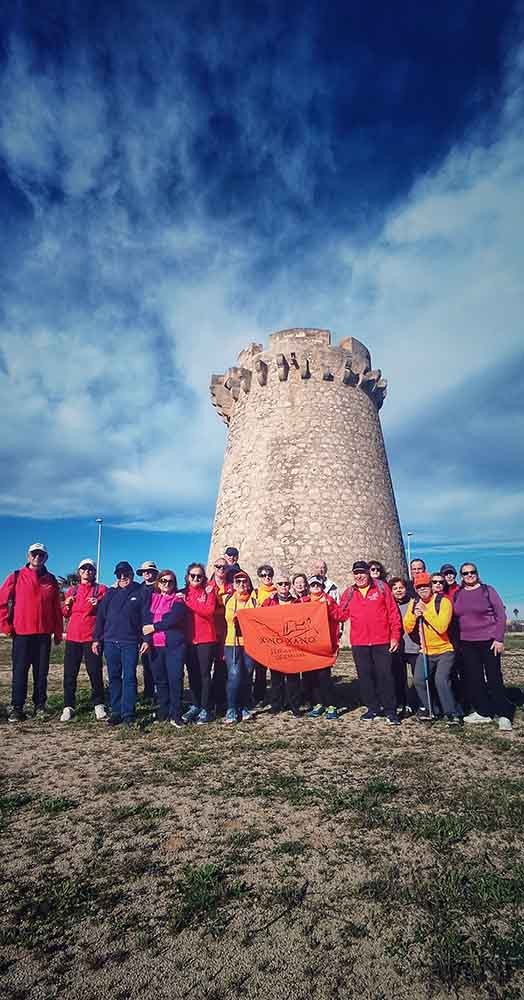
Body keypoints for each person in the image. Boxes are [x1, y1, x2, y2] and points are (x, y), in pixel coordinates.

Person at [0, 542, 63, 723]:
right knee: (20, 671)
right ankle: (17, 708)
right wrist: (5, 626)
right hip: (22, 634)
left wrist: (58, 632)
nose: (37, 558)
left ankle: (40, 705)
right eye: (34, 554)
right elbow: (2, 601)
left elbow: (56, 609)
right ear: (28, 556)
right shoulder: (17, 576)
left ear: (46, 558)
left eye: (41, 555)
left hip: (43, 635)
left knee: (41, 672)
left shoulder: (50, 580)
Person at [338, 560, 401, 725]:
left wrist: (395, 635)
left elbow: (393, 612)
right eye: (356, 573)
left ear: (368, 573)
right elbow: (341, 615)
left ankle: (390, 710)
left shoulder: (381, 588)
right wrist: (327, 605)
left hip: (382, 641)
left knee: (385, 676)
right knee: (365, 677)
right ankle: (373, 708)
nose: (359, 576)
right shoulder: (350, 593)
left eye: (362, 572)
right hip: (360, 642)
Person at [453, 563, 512, 730]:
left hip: (489, 641)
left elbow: (500, 614)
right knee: (475, 678)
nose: (469, 575)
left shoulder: (488, 590)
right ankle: (483, 711)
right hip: (467, 643)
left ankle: (503, 714)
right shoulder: (458, 594)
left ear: (477, 573)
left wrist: (499, 638)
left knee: (494, 677)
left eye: (472, 572)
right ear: (461, 576)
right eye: (465, 573)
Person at [403, 572, 463, 726]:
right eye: (419, 587)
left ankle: (452, 713)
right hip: (426, 651)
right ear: (416, 589)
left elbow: (442, 626)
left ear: (431, 586)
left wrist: (425, 612)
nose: (423, 589)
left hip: (445, 650)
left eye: (425, 586)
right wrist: (415, 616)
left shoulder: (443, 602)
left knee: (441, 680)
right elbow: (408, 627)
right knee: (418, 681)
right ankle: (432, 710)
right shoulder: (414, 602)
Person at [93, 561, 145, 727]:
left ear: (131, 574)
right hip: (110, 641)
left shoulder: (141, 592)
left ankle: (128, 713)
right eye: (119, 575)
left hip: (130, 642)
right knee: (114, 677)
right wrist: (96, 639)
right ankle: (116, 711)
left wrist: (146, 640)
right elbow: (101, 617)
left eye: (126, 574)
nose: (123, 577)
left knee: (129, 677)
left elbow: (146, 618)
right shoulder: (110, 593)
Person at [61, 559, 108, 722]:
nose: (87, 571)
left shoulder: (101, 589)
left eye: (90, 569)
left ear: (94, 572)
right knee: (69, 673)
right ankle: (68, 705)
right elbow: (65, 614)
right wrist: (66, 605)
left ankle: (98, 703)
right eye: (84, 569)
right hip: (73, 637)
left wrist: (99, 603)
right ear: (79, 572)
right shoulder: (72, 590)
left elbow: (107, 610)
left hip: (91, 637)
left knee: (95, 671)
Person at [142, 570, 187, 727]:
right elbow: (145, 619)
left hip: (174, 646)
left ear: (175, 584)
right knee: (160, 680)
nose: (166, 584)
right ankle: (164, 710)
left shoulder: (178, 599)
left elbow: (173, 619)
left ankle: (176, 713)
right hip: (155, 646)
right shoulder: (152, 598)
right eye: (163, 581)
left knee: (175, 679)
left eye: (170, 581)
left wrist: (154, 627)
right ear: (158, 582)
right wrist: (147, 639)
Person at [262, 571, 302, 717]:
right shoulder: (269, 602)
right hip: (276, 644)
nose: (284, 586)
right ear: (276, 586)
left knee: (293, 677)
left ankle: (294, 705)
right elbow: (260, 617)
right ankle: (276, 704)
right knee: (276, 677)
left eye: (286, 584)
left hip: (293, 644)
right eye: (280, 584)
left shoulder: (297, 602)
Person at [181, 563, 217, 725]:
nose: (196, 578)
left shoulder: (208, 591)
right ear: (187, 577)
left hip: (206, 639)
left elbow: (208, 611)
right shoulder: (182, 593)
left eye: (199, 576)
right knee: (192, 674)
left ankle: (206, 708)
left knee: (204, 675)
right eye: (193, 575)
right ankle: (195, 705)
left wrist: (188, 603)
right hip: (188, 640)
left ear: (203, 577)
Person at [302, 576, 339, 721]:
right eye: (313, 585)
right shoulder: (303, 601)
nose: (315, 587)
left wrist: (328, 607)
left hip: (324, 644)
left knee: (324, 677)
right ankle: (318, 704)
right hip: (308, 645)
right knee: (312, 677)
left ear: (322, 587)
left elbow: (339, 616)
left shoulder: (329, 600)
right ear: (309, 588)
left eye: (318, 585)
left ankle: (331, 705)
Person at [223, 571, 257, 723]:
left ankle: (243, 706)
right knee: (234, 674)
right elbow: (230, 618)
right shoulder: (230, 599)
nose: (242, 584)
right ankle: (231, 708)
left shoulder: (254, 599)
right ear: (234, 584)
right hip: (233, 643)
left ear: (249, 583)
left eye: (244, 581)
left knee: (247, 675)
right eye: (238, 581)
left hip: (250, 643)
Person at [388, 576, 420, 715]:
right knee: (399, 679)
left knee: (418, 679)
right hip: (398, 648)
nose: (398, 591)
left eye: (401, 588)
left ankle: (419, 704)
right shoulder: (389, 606)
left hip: (414, 647)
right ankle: (402, 703)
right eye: (395, 588)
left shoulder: (414, 603)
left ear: (406, 589)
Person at [207, 557, 232, 714]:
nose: (221, 569)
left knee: (222, 669)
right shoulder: (207, 587)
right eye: (218, 566)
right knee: (206, 669)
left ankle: (221, 701)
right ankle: (207, 702)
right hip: (209, 632)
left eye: (223, 566)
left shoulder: (232, 587)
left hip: (226, 632)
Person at [252, 564, 276, 707]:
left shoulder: (277, 590)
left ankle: (276, 696)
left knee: (275, 668)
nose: (266, 577)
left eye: (269, 575)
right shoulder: (255, 593)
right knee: (260, 669)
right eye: (263, 575)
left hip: (275, 635)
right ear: (259, 577)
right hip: (260, 634)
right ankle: (259, 696)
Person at [136, 561, 159, 701]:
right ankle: (149, 692)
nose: (147, 573)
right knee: (146, 663)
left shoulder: (160, 587)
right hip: (140, 629)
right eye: (144, 571)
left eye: (150, 570)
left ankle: (160, 692)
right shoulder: (138, 589)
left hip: (156, 629)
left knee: (156, 662)